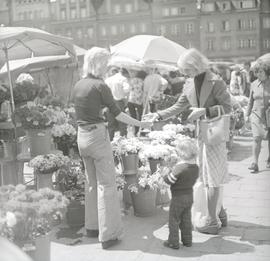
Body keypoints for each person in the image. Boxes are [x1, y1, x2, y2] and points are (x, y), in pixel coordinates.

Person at [144, 48, 231, 235]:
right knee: (206, 175)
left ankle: (212, 222)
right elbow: (179, 105)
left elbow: (227, 107)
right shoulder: (190, 82)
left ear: (196, 65)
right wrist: (157, 114)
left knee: (212, 177)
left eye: (187, 70)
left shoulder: (216, 81)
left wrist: (205, 111)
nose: (184, 74)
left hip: (214, 133)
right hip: (202, 134)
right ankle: (220, 213)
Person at [72, 47, 152, 249]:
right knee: (106, 185)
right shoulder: (100, 85)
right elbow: (118, 114)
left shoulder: (78, 85)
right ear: (99, 64)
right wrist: (141, 124)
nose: (108, 66)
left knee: (91, 183)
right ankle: (109, 235)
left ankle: (92, 227)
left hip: (81, 136)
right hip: (97, 136)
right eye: (106, 63)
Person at [162, 138, 199, 249]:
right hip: (189, 196)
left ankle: (173, 242)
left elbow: (170, 180)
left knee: (174, 219)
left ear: (181, 153)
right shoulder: (195, 167)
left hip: (178, 197)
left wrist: (165, 173)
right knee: (186, 219)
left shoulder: (180, 168)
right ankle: (187, 240)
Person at [246, 59, 270, 173]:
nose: (258, 74)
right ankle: (255, 163)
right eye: (257, 72)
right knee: (256, 139)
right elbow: (250, 101)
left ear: (266, 72)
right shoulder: (254, 84)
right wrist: (247, 115)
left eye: (261, 72)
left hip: (268, 115)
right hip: (256, 115)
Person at [127, 70, 147, 135]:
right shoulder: (143, 81)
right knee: (141, 116)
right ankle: (141, 131)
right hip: (139, 100)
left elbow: (129, 89)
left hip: (131, 99)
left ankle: (135, 131)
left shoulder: (132, 80)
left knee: (133, 116)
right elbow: (144, 91)